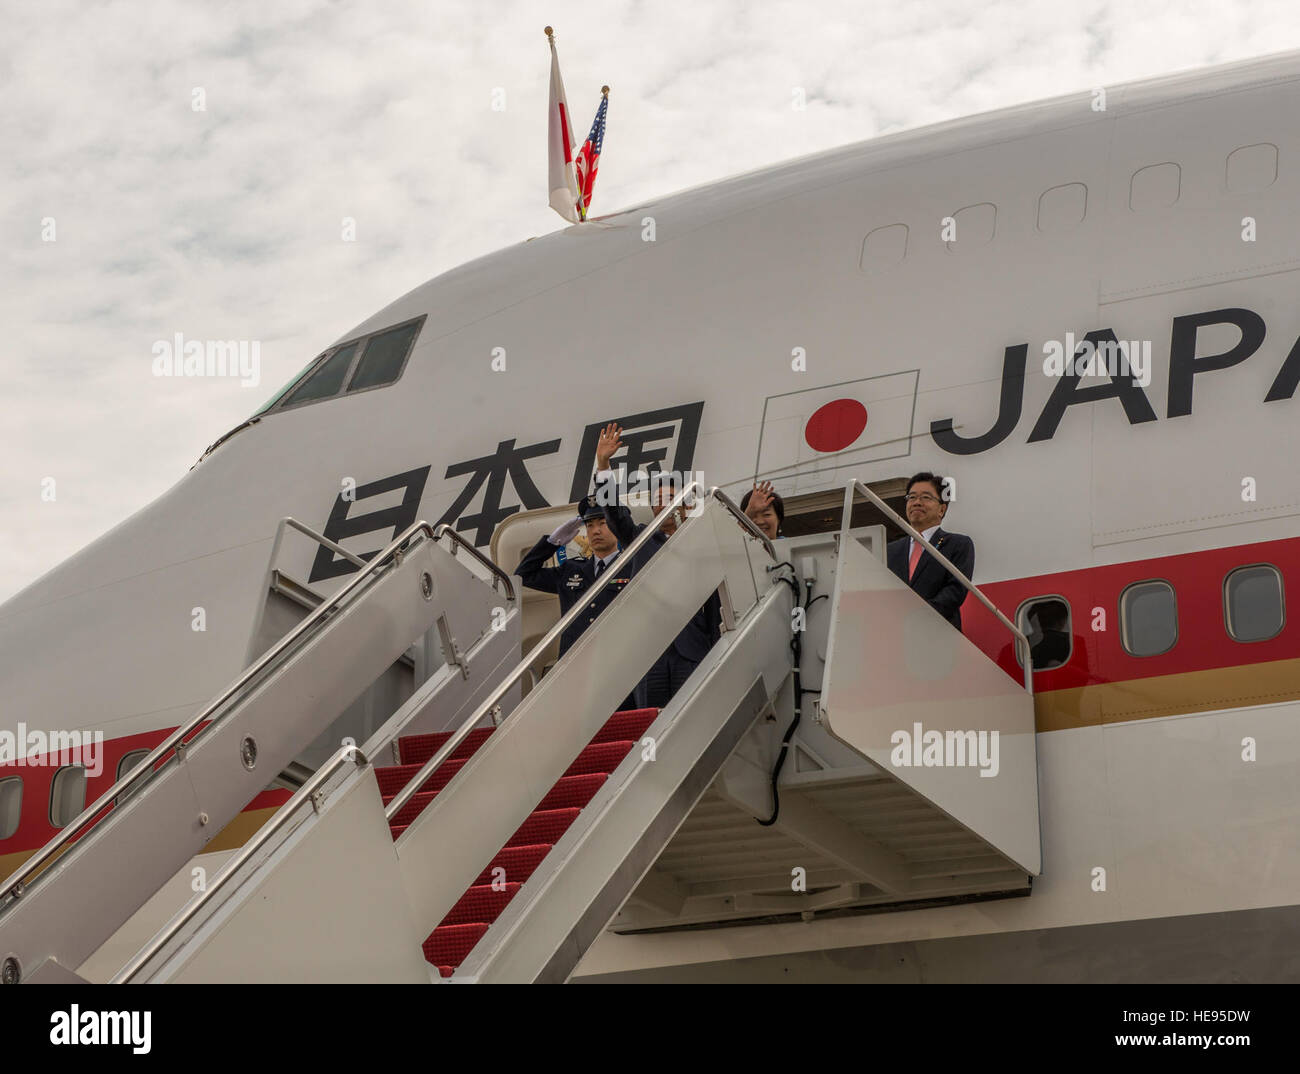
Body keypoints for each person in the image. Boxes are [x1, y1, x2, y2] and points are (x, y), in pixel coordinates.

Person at [593, 423, 721, 709]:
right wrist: (603, 464)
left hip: (692, 652)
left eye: (671, 499)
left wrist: (716, 651)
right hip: (649, 655)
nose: (663, 505)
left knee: (692, 718)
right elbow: (613, 513)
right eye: (658, 501)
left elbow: (714, 607)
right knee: (650, 725)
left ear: (686, 504)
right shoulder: (639, 539)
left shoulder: (701, 546)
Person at [514, 495, 634, 658]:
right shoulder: (571, 569)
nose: (595, 531)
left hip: (619, 657)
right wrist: (552, 542)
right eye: (589, 525)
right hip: (574, 662)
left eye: (603, 523)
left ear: (617, 525)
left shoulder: (632, 565)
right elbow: (524, 574)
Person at [885, 471, 975, 630]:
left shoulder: (958, 544)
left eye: (926, 497)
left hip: (938, 634)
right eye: (911, 497)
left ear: (942, 509)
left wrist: (918, 615)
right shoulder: (890, 550)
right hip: (896, 635)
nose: (917, 502)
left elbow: (955, 591)